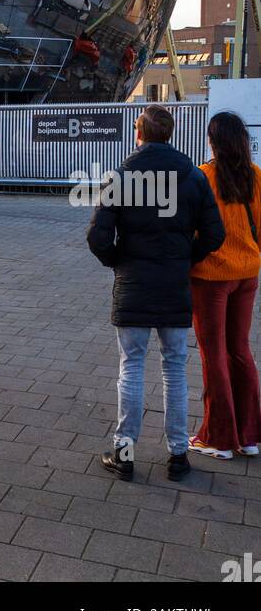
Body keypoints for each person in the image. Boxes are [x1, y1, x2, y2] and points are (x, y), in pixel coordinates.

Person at [87, 103, 224, 483]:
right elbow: (215, 234)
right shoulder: (194, 177)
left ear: (140, 133)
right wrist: (185, 258)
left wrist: (119, 260)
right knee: (175, 369)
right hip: (174, 287)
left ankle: (124, 454)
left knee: (130, 366)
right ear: (170, 133)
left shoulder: (122, 175)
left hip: (133, 286)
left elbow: (97, 236)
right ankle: (178, 456)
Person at [189, 111, 261, 460]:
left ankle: (218, 438)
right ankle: (249, 436)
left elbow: (193, 228)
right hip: (248, 274)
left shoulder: (203, 177)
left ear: (214, 142)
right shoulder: (257, 177)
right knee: (240, 350)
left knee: (213, 354)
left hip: (210, 278)